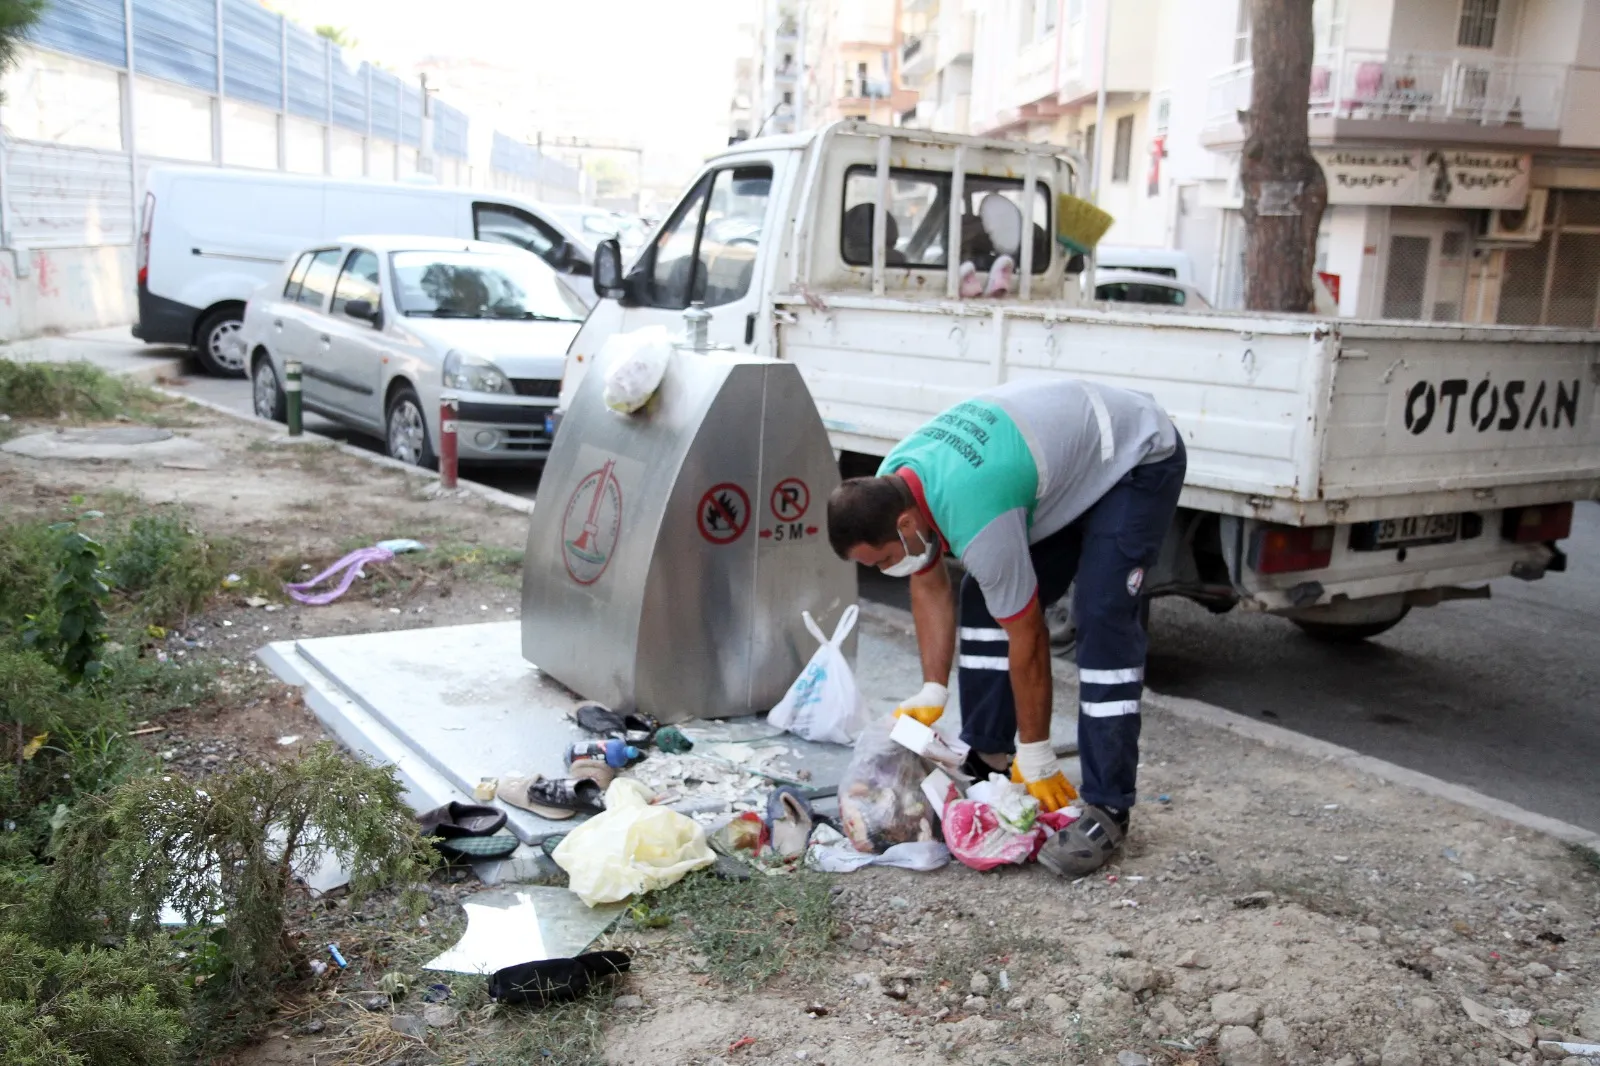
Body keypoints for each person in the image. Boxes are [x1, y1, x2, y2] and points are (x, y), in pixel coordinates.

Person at [826, 379, 1185, 877]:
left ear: (906, 525)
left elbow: (1030, 635)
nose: (887, 568)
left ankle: (1108, 807)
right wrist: (933, 687)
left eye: (885, 558)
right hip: (1059, 468)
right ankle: (991, 757)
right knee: (981, 599)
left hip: (1132, 457)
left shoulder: (974, 511)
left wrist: (1038, 753)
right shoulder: (893, 483)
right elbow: (928, 583)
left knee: (1103, 619)